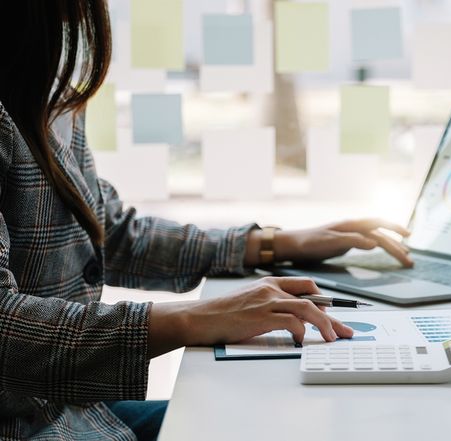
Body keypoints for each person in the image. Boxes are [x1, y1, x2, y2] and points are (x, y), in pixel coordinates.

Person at [0, 2, 413, 440]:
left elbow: (110, 234)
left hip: (71, 413)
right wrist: (197, 318)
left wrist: (274, 244)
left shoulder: (44, 86)